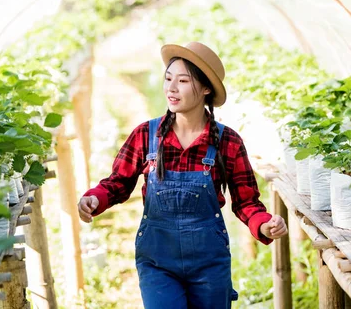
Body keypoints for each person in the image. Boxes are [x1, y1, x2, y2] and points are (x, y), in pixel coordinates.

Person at [77, 42, 288, 308]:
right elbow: (118, 182)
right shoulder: (147, 135)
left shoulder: (227, 141)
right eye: (168, 79)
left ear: (206, 88)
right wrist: (94, 199)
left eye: (183, 80)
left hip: (209, 265)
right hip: (157, 262)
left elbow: (246, 202)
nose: (171, 88)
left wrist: (264, 223)